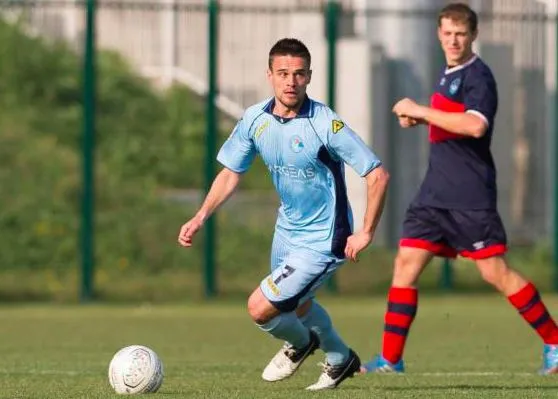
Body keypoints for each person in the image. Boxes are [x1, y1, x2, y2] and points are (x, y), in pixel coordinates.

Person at [178, 38, 390, 390]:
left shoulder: (325, 124)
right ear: (270, 76)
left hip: (324, 238)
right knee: (300, 306)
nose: (291, 81)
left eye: (299, 74)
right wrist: (200, 216)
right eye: (283, 73)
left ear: (309, 77)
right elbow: (231, 172)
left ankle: (302, 343)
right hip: (287, 230)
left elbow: (376, 174)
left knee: (261, 308)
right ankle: (341, 358)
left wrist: (365, 231)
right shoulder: (255, 119)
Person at [361, 2, 558, 375]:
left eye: (461, 34)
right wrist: (420, 122)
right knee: (405, 265)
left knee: (494, 272)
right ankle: (390, 360)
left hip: (469, 194)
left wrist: (420, 111)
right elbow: (451, 123)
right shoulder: (447, 72)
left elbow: (474, 126)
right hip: (434, 194)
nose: (453, 40)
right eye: (448, 33)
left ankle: (555, 342)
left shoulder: (478, 76)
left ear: (473, 36)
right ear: (439, 34)